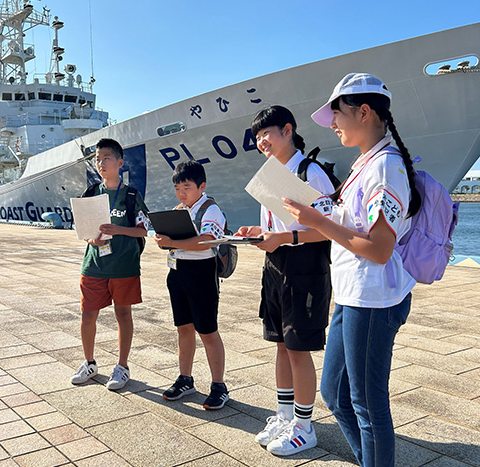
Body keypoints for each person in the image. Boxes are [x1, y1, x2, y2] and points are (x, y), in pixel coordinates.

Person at [282, 73, 420, 467]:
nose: (333, 124)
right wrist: (314, 216)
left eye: (337, 115)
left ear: (364, 112)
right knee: (336, 394)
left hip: (374, 299)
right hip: (352, 294)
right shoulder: (366, 163)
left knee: (367, 403)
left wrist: (318, 222)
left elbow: (379, 249)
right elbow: (353, 222)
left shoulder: (385, 168)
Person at [234, 105, 335, 455]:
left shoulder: (311, 173)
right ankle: (285, 415)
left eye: (267, 133)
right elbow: (277, 227)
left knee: (298, 348)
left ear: (288, 131)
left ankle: (305, 427)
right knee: (280, 344)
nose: (261, 141)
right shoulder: (271, 175)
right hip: (275, 266)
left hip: (304, 269)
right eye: (257, 136)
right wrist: (256, 232)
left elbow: (329, 230)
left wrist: (284, 238)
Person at [70, 138, 149, 391]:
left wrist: (119, 230)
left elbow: (143, 230)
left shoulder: (131, 195)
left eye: (106, 158)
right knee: (87, 315)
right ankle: (89, 363)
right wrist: (90, 239)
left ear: (120, 162)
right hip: (94, 264)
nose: (100, 163)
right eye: (97, 159)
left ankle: (122, 366)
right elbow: (82, 229)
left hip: (124, 265)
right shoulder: (91, 193)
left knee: (123, 314)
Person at [153, 160, 229, 410]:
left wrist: (172, 241)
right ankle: (185, 378)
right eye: (177, 188)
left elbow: (206, 241)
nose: (181, 193)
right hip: (177, 272)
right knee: (183, 328)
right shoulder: (179, 209)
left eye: (186, 188)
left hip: (201, 273)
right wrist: (163, 240)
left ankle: (219, 385)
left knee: (207, 331)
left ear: (201, 186)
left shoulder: (210, 209)